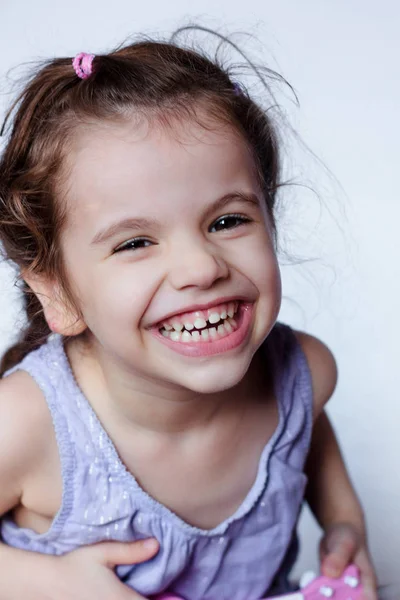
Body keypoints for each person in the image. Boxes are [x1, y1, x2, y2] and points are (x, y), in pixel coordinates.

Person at [0, 30, 377, 600]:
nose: (200, 267)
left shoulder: (303, 374)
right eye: (135, 243)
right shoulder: (27, 426)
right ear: (58, 293)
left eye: (227, 221)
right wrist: (48, 582)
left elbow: (306, 433)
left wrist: (344, 522)